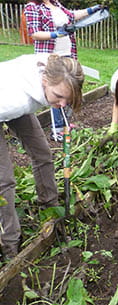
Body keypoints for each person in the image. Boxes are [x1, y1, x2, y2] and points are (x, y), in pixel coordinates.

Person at [0, 53, 84, 260]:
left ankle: (50, 208)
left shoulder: (56, 68)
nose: (63, 103)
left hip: (12, 93)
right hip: (5, 101)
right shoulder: (15, 101)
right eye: (58, 96)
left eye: (68, 99)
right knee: (4, 180)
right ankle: (10, 245)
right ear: (44, 82)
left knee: (43, 155)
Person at [24, 0, 103, 141]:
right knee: (57, 91)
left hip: (67, 54)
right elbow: (34, 33)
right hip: (50, 56)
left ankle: (65, 123)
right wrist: (57, 34)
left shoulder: (56, 4)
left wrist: (92, 10)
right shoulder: (33, 7)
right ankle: (57, 129)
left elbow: (71, 15)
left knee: (69, 91)